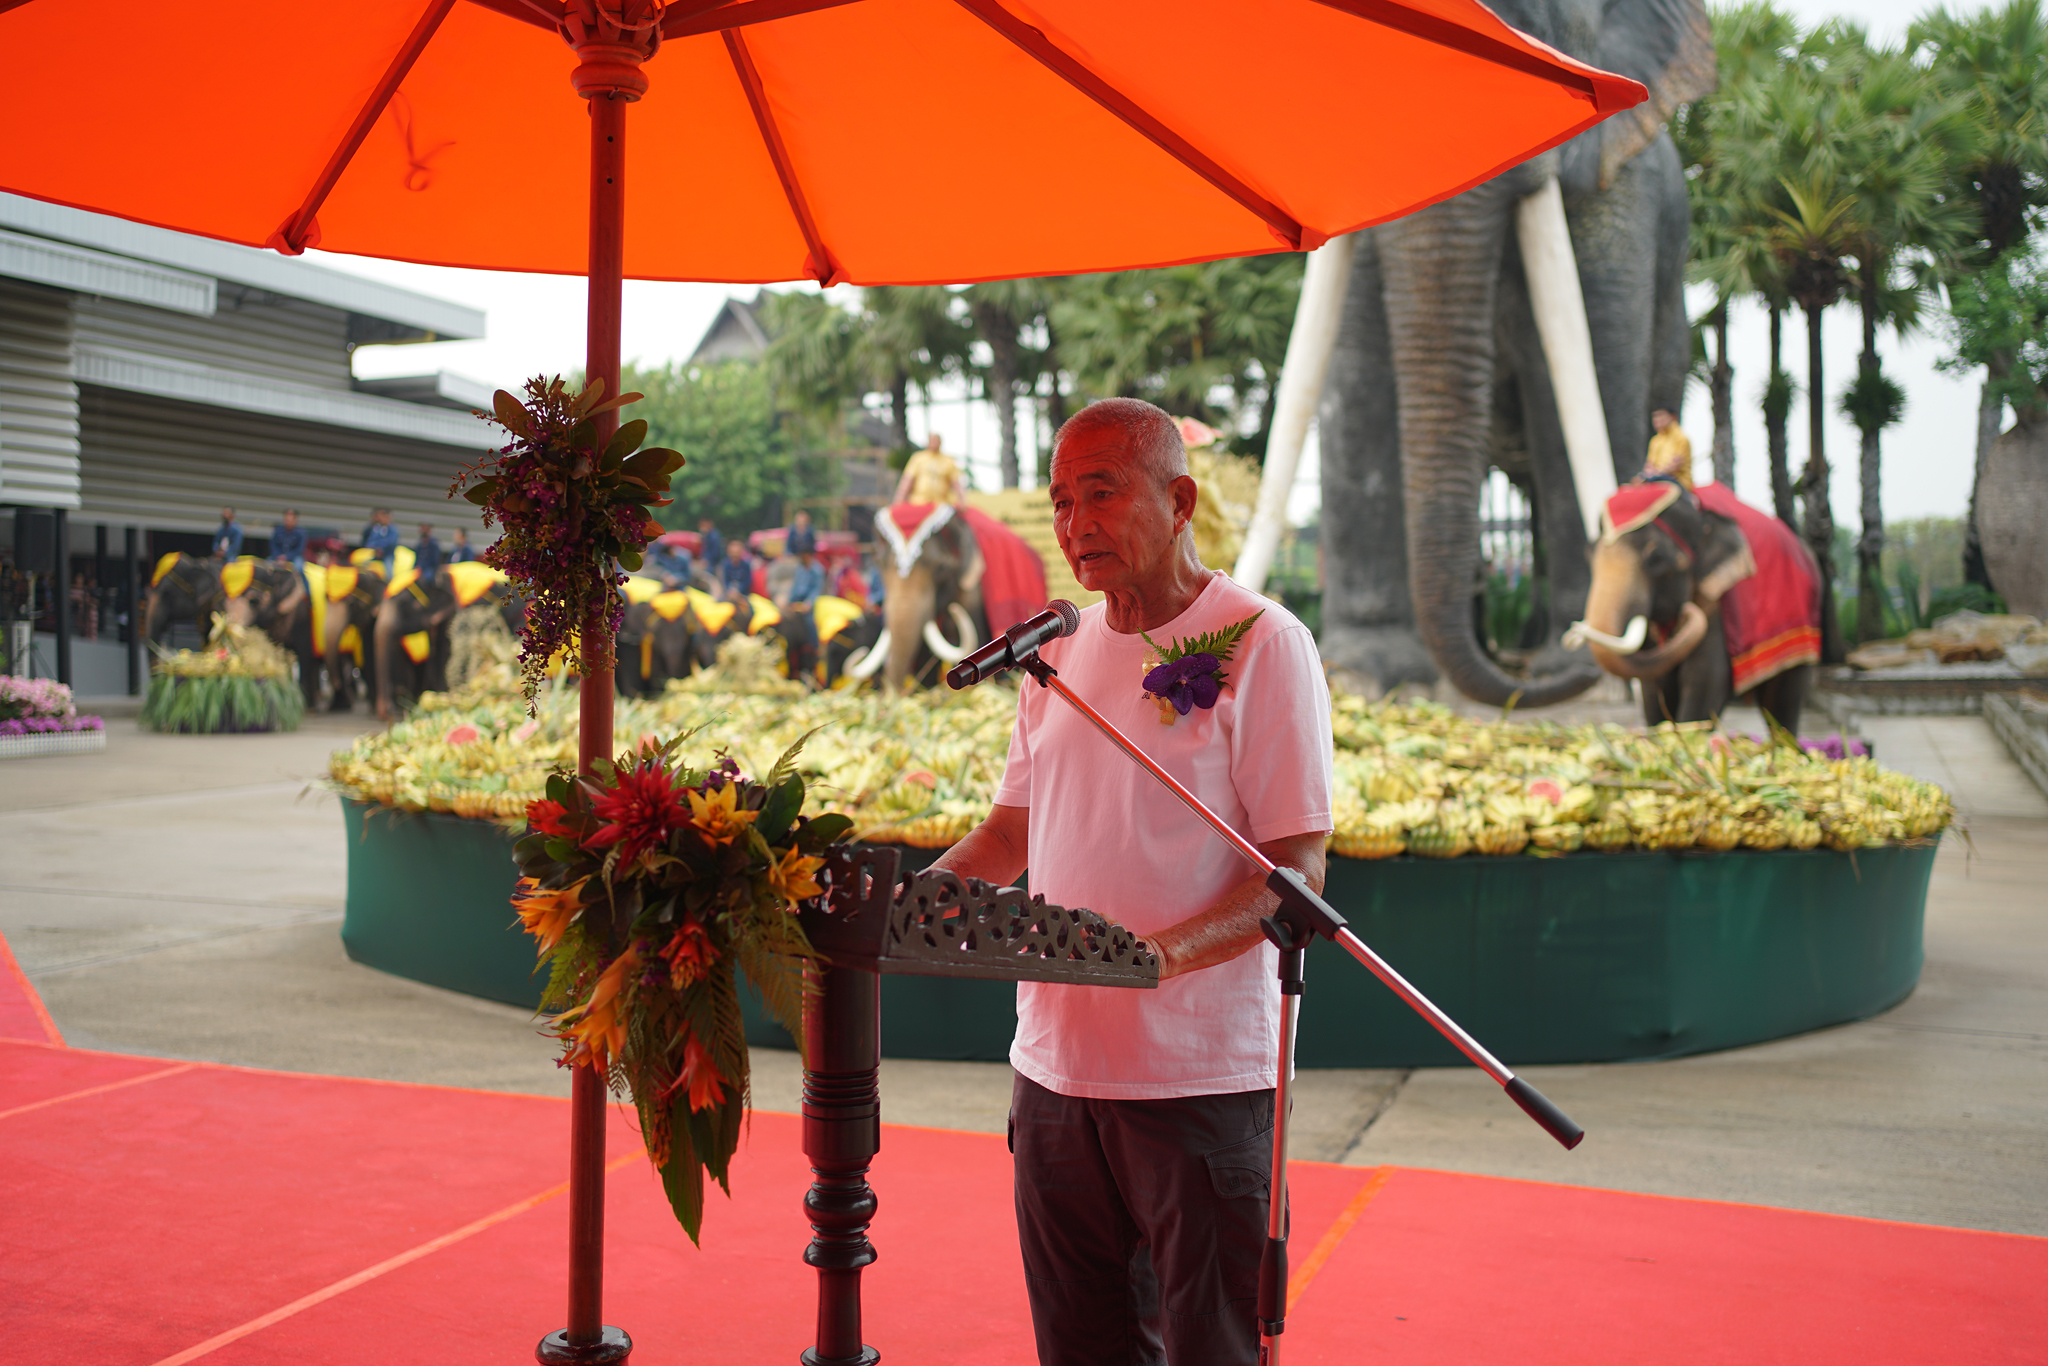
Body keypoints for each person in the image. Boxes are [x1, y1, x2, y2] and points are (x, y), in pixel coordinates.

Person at [933, 398, 1333, 1366]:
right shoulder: (1053, 650)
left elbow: (1295, 871)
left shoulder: (1262, 640)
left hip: (1198, 1076)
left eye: (1101, 493)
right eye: (1060, 501)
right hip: (1054, 1068)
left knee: (1211, 1346)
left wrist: (1156, 957)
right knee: (1081, 1346)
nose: (1075, 523)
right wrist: (904, 904)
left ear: (1180, 500)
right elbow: (1008, 832)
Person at [774, 546, 825, 683]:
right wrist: (789, 602)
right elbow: (795, 589)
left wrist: (808, 603)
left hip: (809, 605)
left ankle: (815, 647)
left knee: (809, 623)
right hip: (797, 604)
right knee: (785, 619)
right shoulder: (800, 569)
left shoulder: (817, 570)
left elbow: (816, 590)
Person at [893, 432, 966, 506]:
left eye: (936, 440)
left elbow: (956, 484)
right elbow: (907, 481)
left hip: (941, 504)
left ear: (940, 442)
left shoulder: (948, 461)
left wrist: (962, 500)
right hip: (918, 503)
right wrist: (899, 501)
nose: (934, 442)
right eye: (932, 440)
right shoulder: (918, 458)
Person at [1644, 408, 1693, 488]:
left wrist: (1656, 473)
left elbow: (1675, 466)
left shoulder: (1680, 438)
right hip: (1658, 479)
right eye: (1655, 416)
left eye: (1660, 415)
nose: (1657, 419)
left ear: (1672, 417)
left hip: (1678, 482)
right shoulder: (1655, 440)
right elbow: (1650, 465)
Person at [361, 508, 399, 574]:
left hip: (386, 555)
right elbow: (370, 540)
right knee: (363, 566)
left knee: (389, 571)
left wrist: (380, 548)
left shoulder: (393, 530)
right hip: (374, 554)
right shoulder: (376, 528)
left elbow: (390, 542)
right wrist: (372, 548)